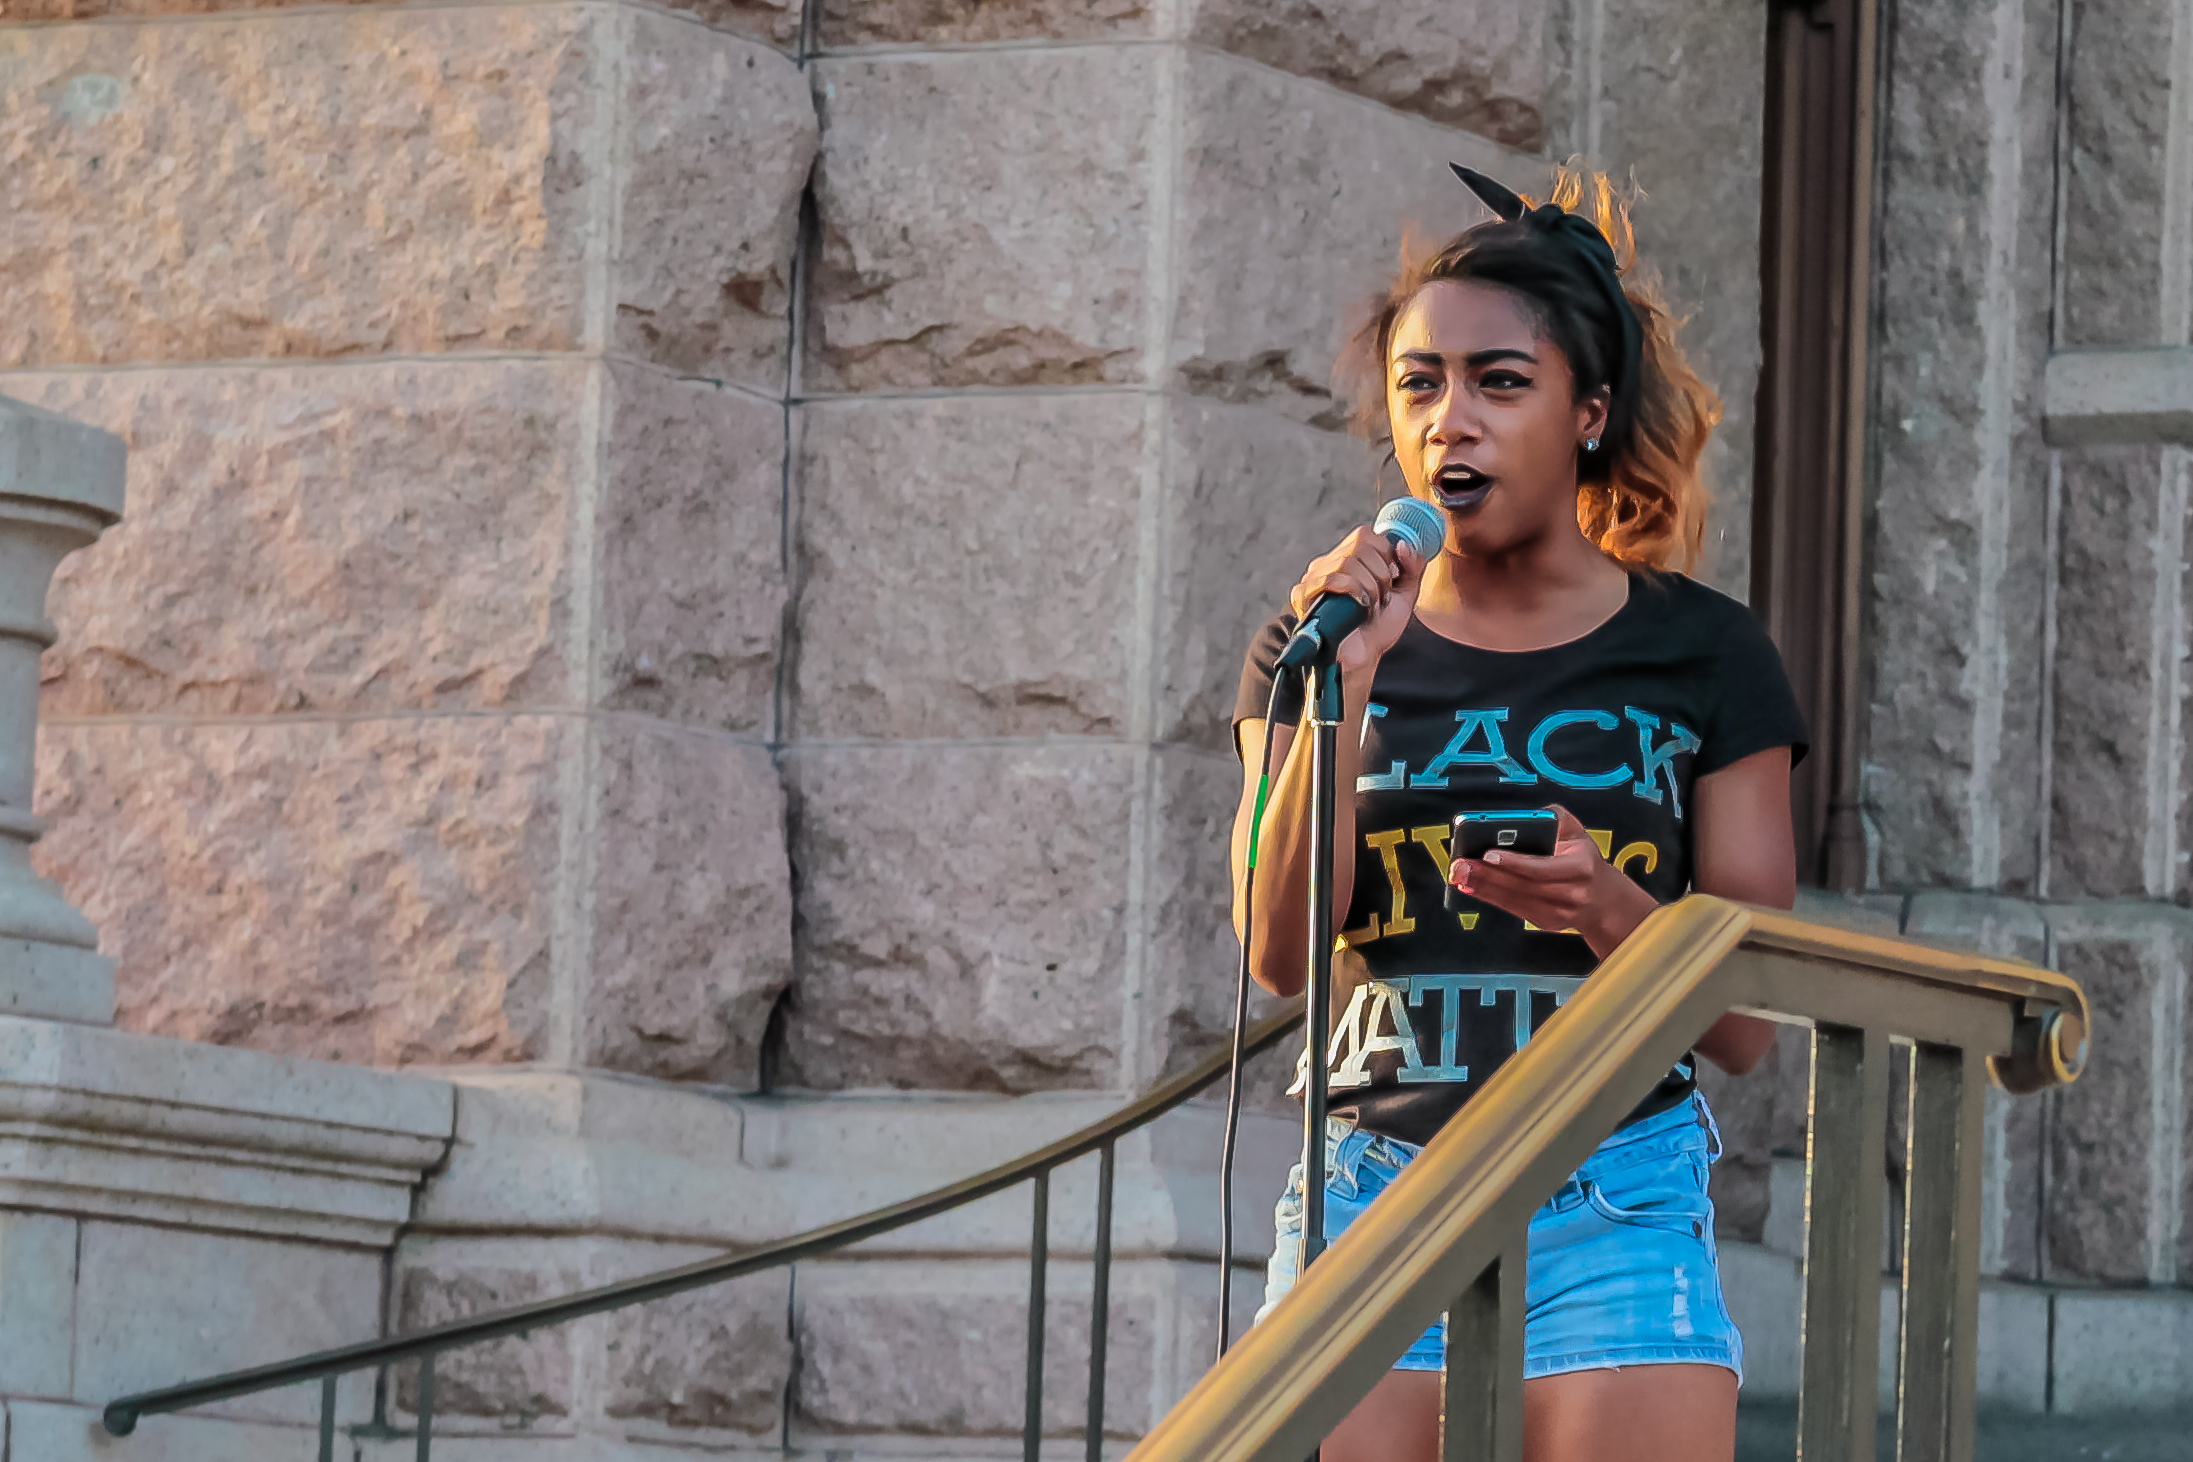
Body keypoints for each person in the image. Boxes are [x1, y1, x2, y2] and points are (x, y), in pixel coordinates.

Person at [1230, 163, 1806, 1462]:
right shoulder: (1317, 644)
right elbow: (1274, 950)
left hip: (1612, 1192)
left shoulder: (1704, 653)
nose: (1453, 422)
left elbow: (1748, 1021)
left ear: (1586, 411)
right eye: (1420, 384)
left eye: (1500, 382)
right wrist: (1349, 684)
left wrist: (1610, 906)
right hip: (1370, 1191)